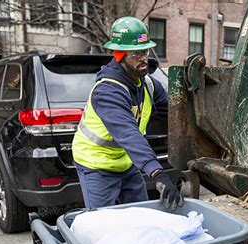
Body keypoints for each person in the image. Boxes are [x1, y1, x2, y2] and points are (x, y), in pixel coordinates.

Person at [72, 16, 183, 210]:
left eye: (145, 51)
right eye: (136, 53)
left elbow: (174, 117)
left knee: (139, 216)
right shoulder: (107, 92)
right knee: (103, 226)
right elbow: (129, 134)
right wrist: (157, 173)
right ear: (119, 55)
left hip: (126, 163)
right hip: (96, 165)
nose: (143, 58)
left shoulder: (148, 84)